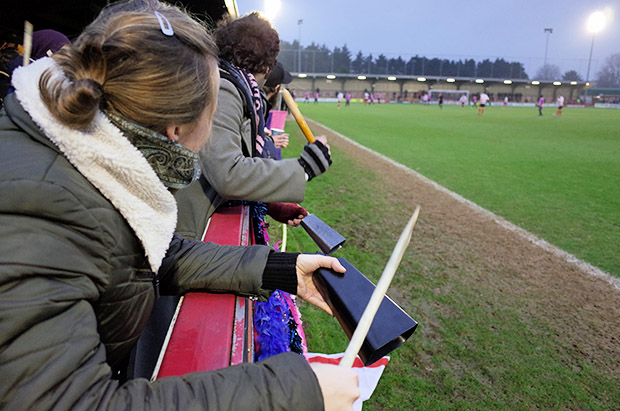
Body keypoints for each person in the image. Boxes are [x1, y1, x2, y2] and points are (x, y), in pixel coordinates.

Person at [0, 1, 359, 410]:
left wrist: (280, 269)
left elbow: (155, 253)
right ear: (176, 131)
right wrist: (293, 392)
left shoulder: (83, 166)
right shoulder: (38, 211)